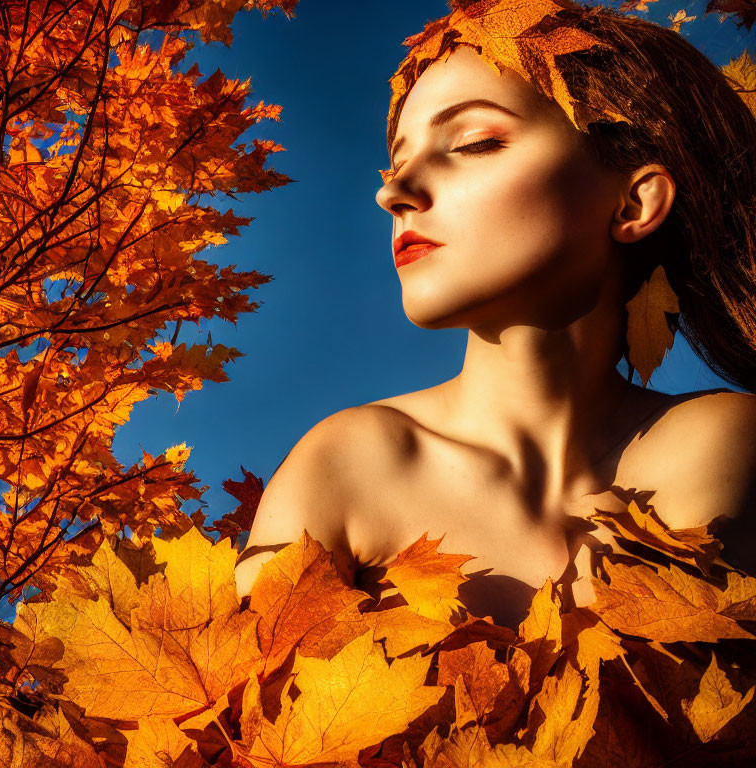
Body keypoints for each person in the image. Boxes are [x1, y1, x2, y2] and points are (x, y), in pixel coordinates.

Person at [235, 0, 756, 630]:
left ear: (634, 202)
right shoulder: (348, 466)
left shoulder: (723, 445)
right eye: (397, 163)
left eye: (474, 142)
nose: (392, 192)